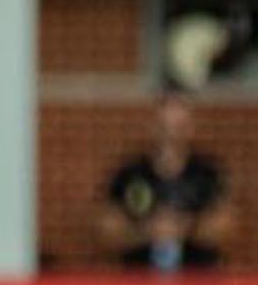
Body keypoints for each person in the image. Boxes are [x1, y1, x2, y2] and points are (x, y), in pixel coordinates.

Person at [99, 94, 234, 273]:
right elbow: (106, 231)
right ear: (152, 128)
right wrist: (147, 232)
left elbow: (226, 227)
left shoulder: (207, 173)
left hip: (198, 280)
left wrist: (184, 228)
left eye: (179, 127)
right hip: (139, 281)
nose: (171, 135)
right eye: (164, 127)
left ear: (191, 129)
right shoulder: (130, 174)